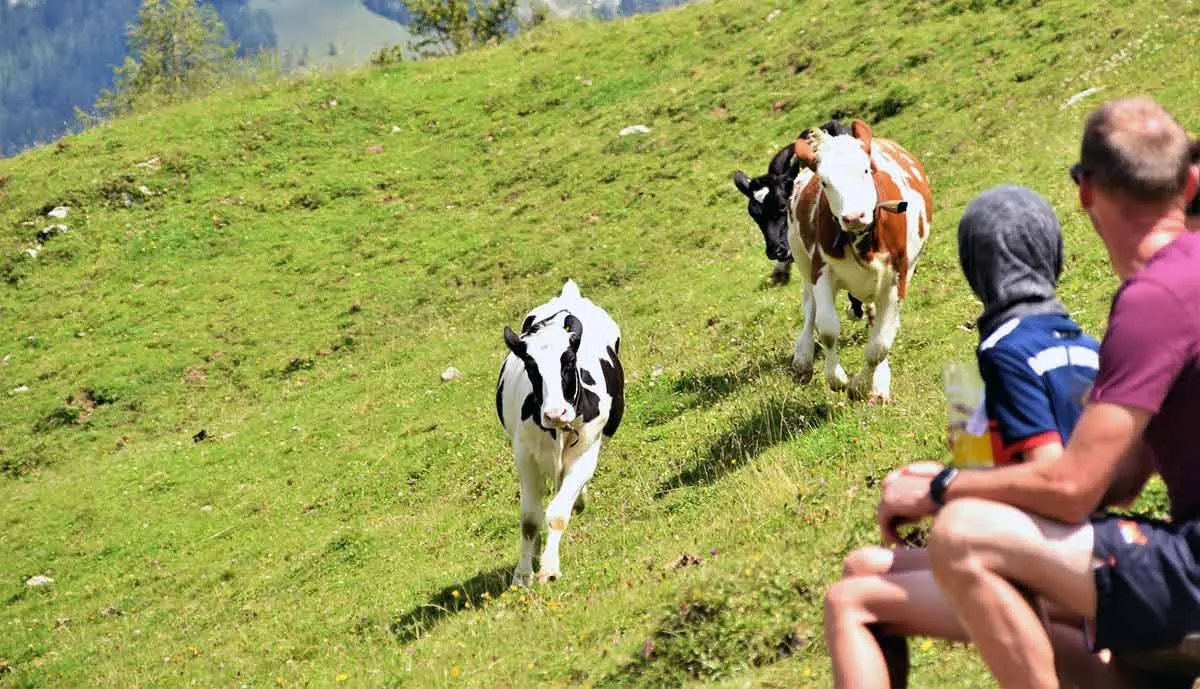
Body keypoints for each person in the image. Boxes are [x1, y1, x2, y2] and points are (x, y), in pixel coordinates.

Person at [876, 95, 1200, 689]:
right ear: (1191, 179)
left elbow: (1073, 487)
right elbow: (1122, 481)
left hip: (1191, 571)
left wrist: (945, 484)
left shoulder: (1146, 303)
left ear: (1085, 192)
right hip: (1172, 557)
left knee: (961, 535)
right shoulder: (1094, 335)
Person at [824, 184, 1101, 688]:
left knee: (849, 601)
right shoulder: (1090, 346)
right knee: (861, 564)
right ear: (1055, 257)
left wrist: (938, 486)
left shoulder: (998, 356)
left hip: (1039, 566)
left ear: (975, 270)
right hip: (1086, 550)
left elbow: (1037, 478)